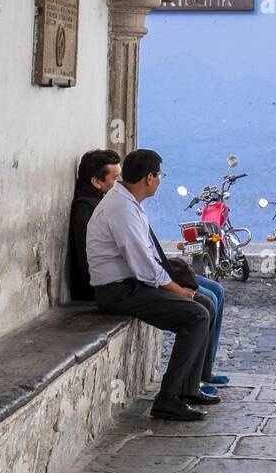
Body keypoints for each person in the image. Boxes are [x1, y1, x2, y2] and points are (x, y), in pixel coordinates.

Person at [69, 148, 229, 395]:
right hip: (119, 291)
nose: (160, 179)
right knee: (197, 314)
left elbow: (147, 258)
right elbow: (143, 265)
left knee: (205, 303)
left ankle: (190, 387)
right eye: (160, 174)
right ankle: (171, 398)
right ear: (149, 178)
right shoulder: (120, 208)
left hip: (130, 283)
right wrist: (178, 290)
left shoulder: (128, 203)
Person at [69, 149, 121, 301]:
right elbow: (88, 261)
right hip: (97, 291)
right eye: (116, 178)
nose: (121, 183)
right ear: (96, 182)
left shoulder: (100, 203)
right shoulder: (86, 210)